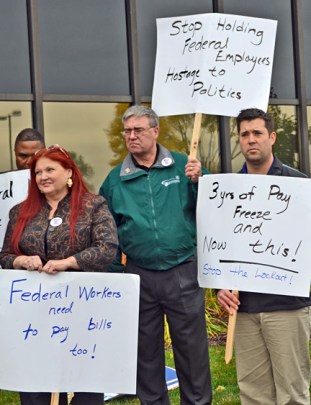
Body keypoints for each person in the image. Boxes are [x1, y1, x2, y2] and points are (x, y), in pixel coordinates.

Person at [99, 105, 212, 405]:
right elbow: (107, 234)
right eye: (127, 131)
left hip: (182, 271)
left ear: (155, 131)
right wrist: (114, 278)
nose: (131, 136)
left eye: (138, 130)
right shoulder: (114, 180)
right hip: (139, 275)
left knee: (191, 350)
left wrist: (201, 181)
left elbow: (213, 209)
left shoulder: (182, 166)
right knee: (145, 353)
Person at [0, 144, 118, 405]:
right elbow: (5, 255)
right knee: (35, 387)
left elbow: (107, 249)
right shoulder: (19, 212)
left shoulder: (93, 206)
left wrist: (68, 262)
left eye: (50, 169)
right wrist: (21, 260)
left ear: (69, 172)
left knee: (83, 386)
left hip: (81, 311)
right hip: (32, 313)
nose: (43, 176)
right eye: (38, 172)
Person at [217, 108, 311, 405]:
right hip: (243, 307)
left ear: (272, 137)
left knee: (292, 393)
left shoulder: (299, 186)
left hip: (286, 305)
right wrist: (218, 286)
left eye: (257, 133)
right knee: (253, 394)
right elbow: (217, 244)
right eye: (244, 134)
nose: (250, 140)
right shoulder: (226, 191)